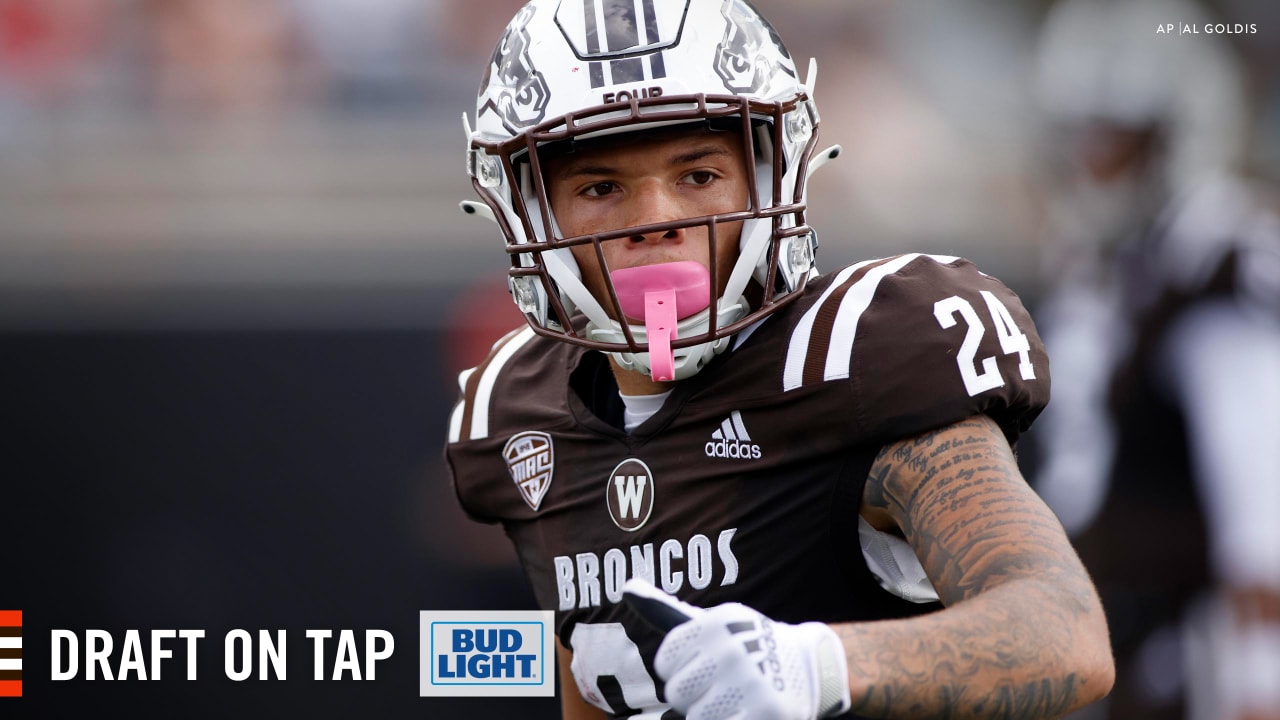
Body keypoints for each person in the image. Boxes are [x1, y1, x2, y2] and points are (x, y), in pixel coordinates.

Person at [445, 1, 1114, 718]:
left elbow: (1063, 633)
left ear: (769, 175)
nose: (654, 220)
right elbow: (588, 691)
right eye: (601, 188)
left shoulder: (854, 359)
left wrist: (811, 664)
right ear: (529, 211)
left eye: (698, 175)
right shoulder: (520, 412)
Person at [1029, 1, 1280, 719]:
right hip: (1113, 639)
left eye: (1111, 139)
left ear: (1171, 137)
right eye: (1079, 138)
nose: (1089, 164)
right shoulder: (1106, 268)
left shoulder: (1217, 259)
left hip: (1197, 654)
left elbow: (1260, 500)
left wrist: (1262, 680)